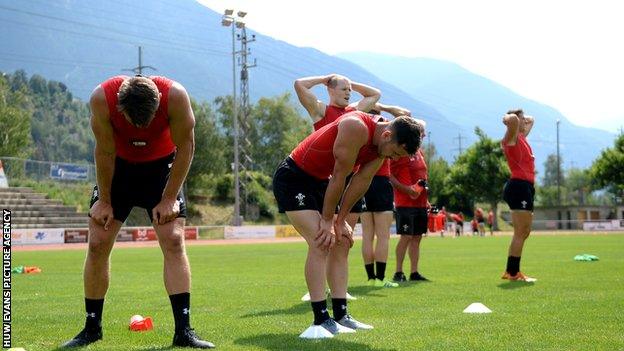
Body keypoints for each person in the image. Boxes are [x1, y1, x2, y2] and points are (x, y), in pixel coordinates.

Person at [61, 76, 214, 348]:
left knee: (174, 240)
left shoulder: (176, 96)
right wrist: (105, 200)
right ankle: (91, 328)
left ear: (158, 106)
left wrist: (169, 197)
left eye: (149, 120)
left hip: (161, 170)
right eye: (135, 121)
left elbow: (187, 148)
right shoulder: (102, 99)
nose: (142, 128)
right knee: (97, 243)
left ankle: (184, 331)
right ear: (121, 108)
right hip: (118, 169)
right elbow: (104, 152)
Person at [272, 111, 421, 338]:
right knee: (321, 241)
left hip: (321, 182)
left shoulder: (382, 148)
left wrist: (341, 221)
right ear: (387, 135)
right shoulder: (356, 127)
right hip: (294, 178)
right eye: (394, 152)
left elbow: (361, 180)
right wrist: (328, 220)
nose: (392, 158)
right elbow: (340, 175)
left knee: (341, 241)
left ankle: (341, 315)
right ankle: (321, 319)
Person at [360, 104, 411, 288]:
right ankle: (380, 280)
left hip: (362, 183)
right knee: (383, 236)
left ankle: (370, 277)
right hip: (380, 182)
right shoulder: (386, 131)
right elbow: (406, 115)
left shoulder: (363, 133)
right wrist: (381, 106)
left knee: (367, 235)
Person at [389, 119, 430, 283]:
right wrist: (407, 190)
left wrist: (426, 199)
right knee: (405, 237)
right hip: (404, 202)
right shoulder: (402, 150)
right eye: (423, 131)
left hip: (420, 202)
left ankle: (414, 272)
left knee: (417, 238)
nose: (425, 134)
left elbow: (423, 176)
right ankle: (398, 272)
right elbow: (389, 174)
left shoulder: (419, 152)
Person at [501, 108, 537, 282]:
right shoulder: (511, 139)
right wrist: (511, 119)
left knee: (525, 231)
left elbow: (532, 120)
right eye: (521, 120)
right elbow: (513, 119)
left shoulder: (522, 137)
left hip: (527, 187)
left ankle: (512, 270)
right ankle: (512, 272)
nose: (524, 122)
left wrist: (523, 120)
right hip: (518, 186)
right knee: (520, 231)